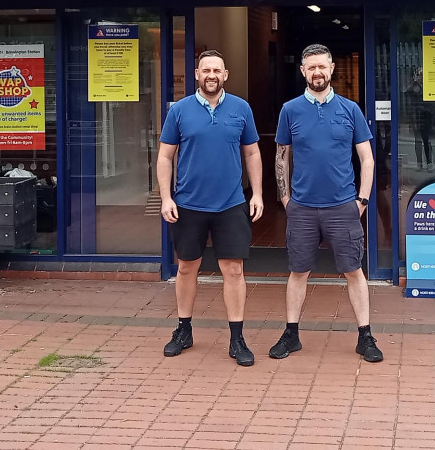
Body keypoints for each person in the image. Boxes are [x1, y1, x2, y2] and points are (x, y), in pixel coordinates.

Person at [270, 43, 382, 363]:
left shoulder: (350, 110)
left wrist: (361, 199)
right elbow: (281, 156)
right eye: (311, 67)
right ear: (303, 71)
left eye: (323, 66)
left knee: (353, 271)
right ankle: (291, 334)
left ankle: (365, 336)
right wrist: (285, 198)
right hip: (302, 208)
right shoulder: (290, 110)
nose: (317, 72)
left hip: (342, 206)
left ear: (332, 69)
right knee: (298, 272)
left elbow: (367, 159)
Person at [157, 49, 264, 366]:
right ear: (197, 74)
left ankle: (237, 338)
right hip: (188, 203)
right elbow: (165, 156)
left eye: (217, 70)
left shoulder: (241, 109)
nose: (211, 75)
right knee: (186, 267)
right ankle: (184, 330)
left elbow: (253, 154)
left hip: (231, 203)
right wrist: (166, 197)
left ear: (225, 74)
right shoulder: (180, 111)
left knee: (233, 270)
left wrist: (257, 194)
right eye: (206, 70)